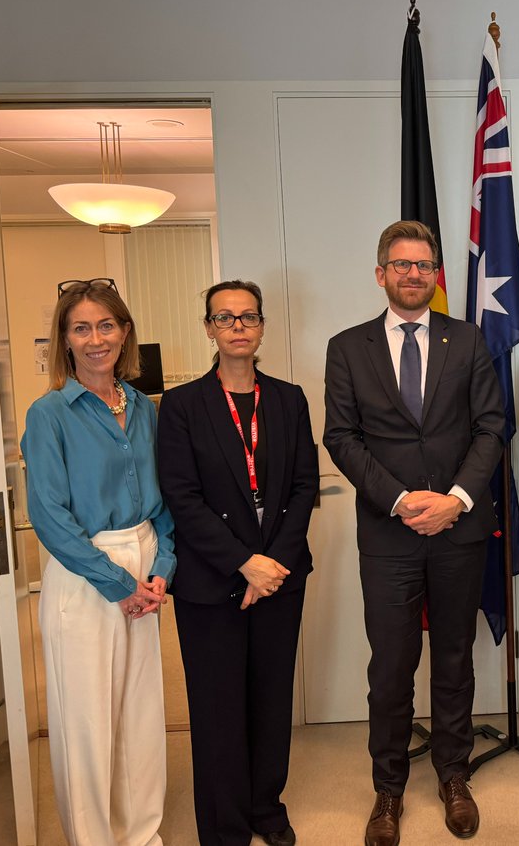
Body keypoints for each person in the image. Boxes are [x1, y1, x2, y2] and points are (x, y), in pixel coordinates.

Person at [323, 220, 504, 846]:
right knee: (392, 667)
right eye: (400, 264)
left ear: (437, 275)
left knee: (454, 660)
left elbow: (491, 428)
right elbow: (340, 438)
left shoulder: (470, 341)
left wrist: (455, 499)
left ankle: (455, 774)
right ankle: (389, 788)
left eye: (424, 265)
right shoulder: (348, 347)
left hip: (459, 529)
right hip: (389, 532)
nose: (412, 274)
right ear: (381, 274)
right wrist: (400, 500)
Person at [157, 280, 318, 846]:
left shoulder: (289, 398)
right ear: (208, 328)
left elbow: (304, 488)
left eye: (248, 316)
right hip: (210, 582)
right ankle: (225, 827)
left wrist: (271, 563)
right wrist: (242, 563)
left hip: (279, 577)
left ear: (262, 326)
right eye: (225, 318)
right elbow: (182, 496)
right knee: (219, 708)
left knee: (271, 702)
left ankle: (266, 809)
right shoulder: (180, 405)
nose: (238, 327)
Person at [21, 278, 174, 846]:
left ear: (124, 332)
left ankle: (142, 834)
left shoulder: (142, 407)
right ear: (64, 339)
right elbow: (50, 516)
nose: (95, 339)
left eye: (106, 325)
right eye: (80, 328)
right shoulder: (50, 414)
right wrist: (119, 582)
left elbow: (163, 499)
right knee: (86, 721)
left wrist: (164, 569)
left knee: (139, 715)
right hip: (86, 572)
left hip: (144, 560)